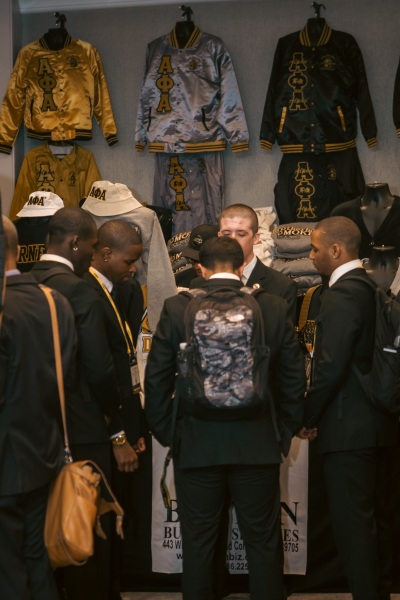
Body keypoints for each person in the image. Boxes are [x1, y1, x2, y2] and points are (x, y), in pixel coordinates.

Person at [145, 235, 306, 600]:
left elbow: (156, 380)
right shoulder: (273, 307)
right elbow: (293, 379)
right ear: (242, 266)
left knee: (199, 543)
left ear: (201, 268)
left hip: (197, 444)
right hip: (257, 445)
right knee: (262, 542)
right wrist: (281, 432)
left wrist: (170, 434)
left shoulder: (177, 308)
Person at [298, 216, 399, 600]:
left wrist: (308, 416)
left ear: (336, 250)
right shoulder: (373, 288)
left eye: (315, 249)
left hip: (348, 430)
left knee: (354, 527)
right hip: (379, 423)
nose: (311, 256)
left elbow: (329, 366)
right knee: (378, 522)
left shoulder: (341, 294)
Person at [31, 206, 127, 600]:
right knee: (87, 525)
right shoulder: (80, 289)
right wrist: (114, 416)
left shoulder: (22, 285)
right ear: (74, 243)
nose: (93, 253)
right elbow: (100, 367)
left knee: (43, 525)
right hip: (83, 426)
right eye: (91, 245)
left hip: (33, 428)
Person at [0, 216, 76, 600]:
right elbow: (67, 374)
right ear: (17, 249)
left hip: (5, 457)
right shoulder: (54, 301)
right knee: (38, 560)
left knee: (8, 569)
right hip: (45, 451)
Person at [83, 219, 146, 597]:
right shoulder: (89, 293)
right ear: (105, 254)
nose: (134, 269)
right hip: (102, 431)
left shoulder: (116, 290)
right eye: (129, 261)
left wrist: (134, 428)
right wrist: (120, 434)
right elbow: (101, 374)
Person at [191, 204, 298, 322]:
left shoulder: (281, 286)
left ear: (256, 238)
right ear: (219, 236)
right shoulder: (199, 284)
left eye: (241, 234)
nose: (233, 240)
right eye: (226, 234)